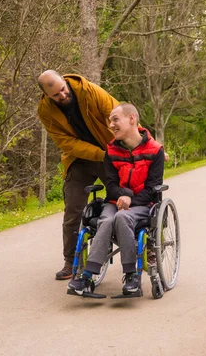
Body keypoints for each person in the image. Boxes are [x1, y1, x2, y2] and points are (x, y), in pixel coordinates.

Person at [68, 103, 165, 296]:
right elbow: (110, 185)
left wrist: (131, 200)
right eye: (110, 121)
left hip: (144, 205)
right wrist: (122, 195)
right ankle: (86, 277)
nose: (111, 125)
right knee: (106, 219)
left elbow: (153, 188)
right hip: (114, 203)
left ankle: (132, 277)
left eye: (115, 119)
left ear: (132, 119)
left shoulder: (155, 151)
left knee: (123, 218)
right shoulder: (111, 151)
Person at [37, 70, 119, 280]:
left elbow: (119, 115)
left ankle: (145, 249)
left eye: (63, 90)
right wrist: (100, 155)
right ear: (47, 96)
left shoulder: (89, 91)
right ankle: (70, 261)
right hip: (79, 158)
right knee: (73, 209)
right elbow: (66, 143)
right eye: (56, 95)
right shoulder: (45, 111)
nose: (62, 96)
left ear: (64, 82)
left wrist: (144, 144)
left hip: (108, 151)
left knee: (124, 197)